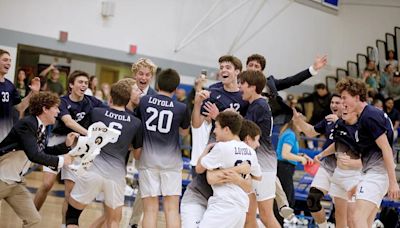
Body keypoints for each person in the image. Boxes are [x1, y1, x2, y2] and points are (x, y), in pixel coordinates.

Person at [33, 70, 106, 227]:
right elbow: (68, 122)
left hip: (77, 146)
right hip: (58, 143)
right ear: (71, 85)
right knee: (47, 184)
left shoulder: (92, 101)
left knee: (69, 193)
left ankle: (64, 225)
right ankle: (30, 218)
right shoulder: (63, 101)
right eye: (80, 82)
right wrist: (90, 135)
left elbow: (109, 110)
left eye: (86, 83)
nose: (84, 85)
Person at [65, 80, 143, 228]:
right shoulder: (136, 123)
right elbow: (138, 155)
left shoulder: (96, 113)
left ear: (110, 97)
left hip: (92, 170)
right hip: (116, 176)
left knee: (72, 217)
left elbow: (85, 138)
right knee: (114, 220)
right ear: (127, 100)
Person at [0, 91, 75, 227]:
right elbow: (34, 155)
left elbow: (43, 151)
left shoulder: (42, 128)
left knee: (33, 220)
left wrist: (65, 146)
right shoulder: (27, 124)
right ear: (45, 109)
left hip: (15, 183)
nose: (58, 112)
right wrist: (62, 161)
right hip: (2, 179)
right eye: (56, 108)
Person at [336, 77, 399, 228]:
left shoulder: (370, 116)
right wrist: (360, 182)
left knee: (357, 218)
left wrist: (393, 182)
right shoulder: (365, 116)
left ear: (357, 97)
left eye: (345, 98)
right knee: (362, 222)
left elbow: (386, 149)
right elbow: (372, 154)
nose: (342, 102)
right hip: (371, 175)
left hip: (377, 176)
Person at [137, 68, 190, 228]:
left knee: (150, 210)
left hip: (148, 160)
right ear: (176, 88)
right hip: (171, 162)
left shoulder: (144, 101)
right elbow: (184, 131)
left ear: (157, 84)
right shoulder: (181, 107)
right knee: (172, 209)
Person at [195, 111, 262, 228]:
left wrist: (207, 149)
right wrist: (239, 170)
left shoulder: (221, 147)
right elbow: (258, 176)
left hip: (223, 205)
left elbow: (199, 168)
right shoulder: (250, 151)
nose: (214, 131)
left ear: (226, 129)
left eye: (216, 127)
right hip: (241, 207)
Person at [292, 94, 342, 228]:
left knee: (341, 211)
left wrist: (339, 122)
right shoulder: (328, 120)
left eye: (338, 103)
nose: (334, 105)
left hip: (344, 169)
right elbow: (311, 131)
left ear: (345, 104)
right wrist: (299, 121)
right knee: (312, 200)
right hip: (326, 166)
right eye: (332, 102)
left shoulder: (353, 121)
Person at [314, 110, 362, 228]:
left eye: (347, 108)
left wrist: (354, 162)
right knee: (339, 218)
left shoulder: (362, 129)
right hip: (338, 174)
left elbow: (370, 157)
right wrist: (322, 154)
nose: (344, 110)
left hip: (354, 176)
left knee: (353, 220)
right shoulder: (340, 126)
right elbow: (336, 145)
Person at [128, 58, 158, 228]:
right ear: (135, 74)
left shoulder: (154, 96)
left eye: (147, 74)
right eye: (141, 73)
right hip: (123, 143)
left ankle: (133, 222)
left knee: (144, 185)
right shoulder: (125, 89)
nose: (144, 77)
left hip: (145, 145)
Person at [0, 49, 41, 141]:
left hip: (5, 134)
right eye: (5, 60)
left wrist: (33, 93)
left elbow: (20, 107)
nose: (9, 63)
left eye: (10, 61)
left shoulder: (10, 86)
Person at [277, 118, 313, 207]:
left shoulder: (290, 133)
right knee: (286, 199)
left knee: (287, 197)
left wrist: (302, 155)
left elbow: (290, 152)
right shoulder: (290, 134)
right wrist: (301, 159)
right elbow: (285, 154)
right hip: (284, 168)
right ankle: (282, 220)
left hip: (285, 168)